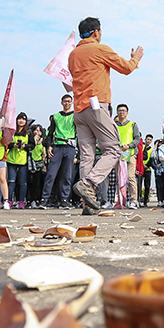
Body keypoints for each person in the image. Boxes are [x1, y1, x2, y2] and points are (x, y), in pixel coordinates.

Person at [67, 17, 143, 213]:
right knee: (113, 150)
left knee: (87, 156)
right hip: (96, 106)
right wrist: (136, 59)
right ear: (95, 32)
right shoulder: (100, 48)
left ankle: (88, 205)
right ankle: (89, 184)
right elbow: (125, 68)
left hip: (79, 110)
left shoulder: (73, 54)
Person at [42, 94, 77, 209]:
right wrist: (49, 146)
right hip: (57, 146)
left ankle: (65, 199)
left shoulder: (75, 116)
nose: (67, 103)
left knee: (67, 175)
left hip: (70, 147)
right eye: (65, 101)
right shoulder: (56, 117)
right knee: (51, 174)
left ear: (72, 103)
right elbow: (50, 132)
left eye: (69, 101)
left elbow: (80, 133)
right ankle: (44, 199)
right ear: (61, 103)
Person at [113, 104, 142, 209]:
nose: (122, 112)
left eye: (124, 110)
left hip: (130, 154)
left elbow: (137, 138)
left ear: (127, 113)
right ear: (117, 112)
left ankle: (134, 200)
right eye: (120, 110)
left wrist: (129, 146)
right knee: (119, 178)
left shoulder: (132, 124)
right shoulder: (113, 125)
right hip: (118, 154)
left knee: (131, 178)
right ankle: (121, 200)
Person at [6, 112, 32, 209]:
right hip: (11, 160)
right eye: (19, 119)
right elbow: (6, 143)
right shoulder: (12, 131)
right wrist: (13, 145)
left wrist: (25, 146)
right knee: (11, 182)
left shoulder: (28, 133)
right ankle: (9, 200)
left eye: (23, 119)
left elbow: (32, 145)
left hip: (23, 161)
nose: (21, 121)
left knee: (23, 183)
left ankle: (21, 201)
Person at [26, 124, 47, 208]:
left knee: (36, 183)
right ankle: (27, 200)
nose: (37, 132)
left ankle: (35, 200)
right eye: (35, 130)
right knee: (28, 182)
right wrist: (33, 141)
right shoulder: (29, 140)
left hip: (38, 164)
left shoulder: (43, 141)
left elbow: (44, 154)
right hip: (29, 163)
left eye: (39, 130)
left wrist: (44, 165)